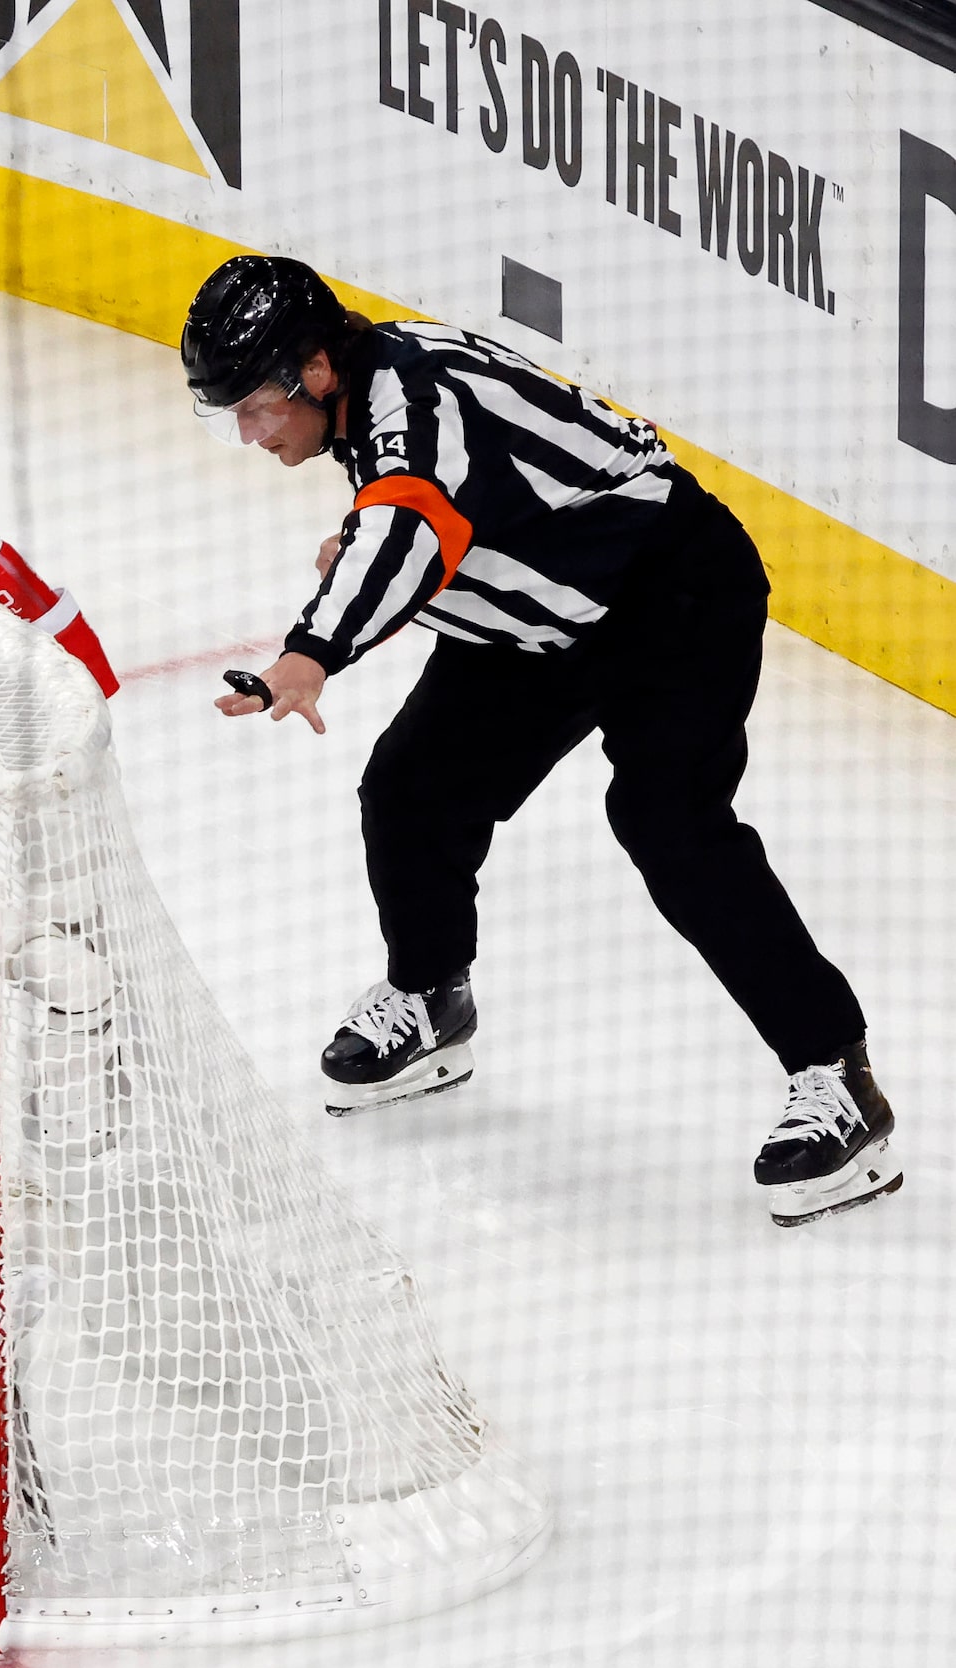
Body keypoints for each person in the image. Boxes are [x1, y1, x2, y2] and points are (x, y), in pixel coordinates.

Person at [187, 253, 898, 1227]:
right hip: (541, 620)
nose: (248, 430)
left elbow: (405, 527)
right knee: (410, 789)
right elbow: (433, 520)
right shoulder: (364, 397)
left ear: (312, 369)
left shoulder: (411, 399)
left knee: (668, 824)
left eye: (255, 404)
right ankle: (430, 1000)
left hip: (670, 595)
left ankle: (834, 1077)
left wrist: (310, 651)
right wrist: (368, 556)